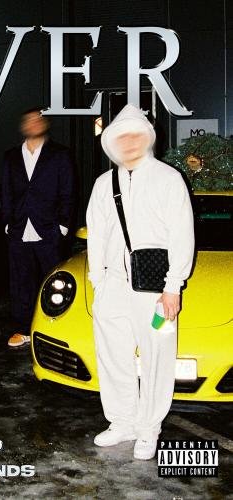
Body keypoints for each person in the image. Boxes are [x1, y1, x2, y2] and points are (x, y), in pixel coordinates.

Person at [86, 103, 195, 460]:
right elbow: (96, 235)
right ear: (112, 143)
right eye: (122, 137)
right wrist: (98, 281)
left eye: (136, 135)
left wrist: (173, 286)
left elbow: (182, 234)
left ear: (147, 138)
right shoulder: (104, 184)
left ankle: (149, 427)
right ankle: (123, 421)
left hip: (156, 289)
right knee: (112, 355)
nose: (130, 142)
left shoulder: (168, 178)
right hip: (113, 286)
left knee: (157, 355)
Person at [2, 108, 75, 347]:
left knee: (54, 282)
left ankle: (56, 330)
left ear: (46, 123)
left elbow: (68, 192)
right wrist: (8, 222)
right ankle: (23, 329)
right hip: (19, 228)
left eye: (38, 119)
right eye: (29, 120)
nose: (33, 123)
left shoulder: (60, 154)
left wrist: (62, 226)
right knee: (20, 282)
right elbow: (7, 192)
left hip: (49, 229)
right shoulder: (11, 156)